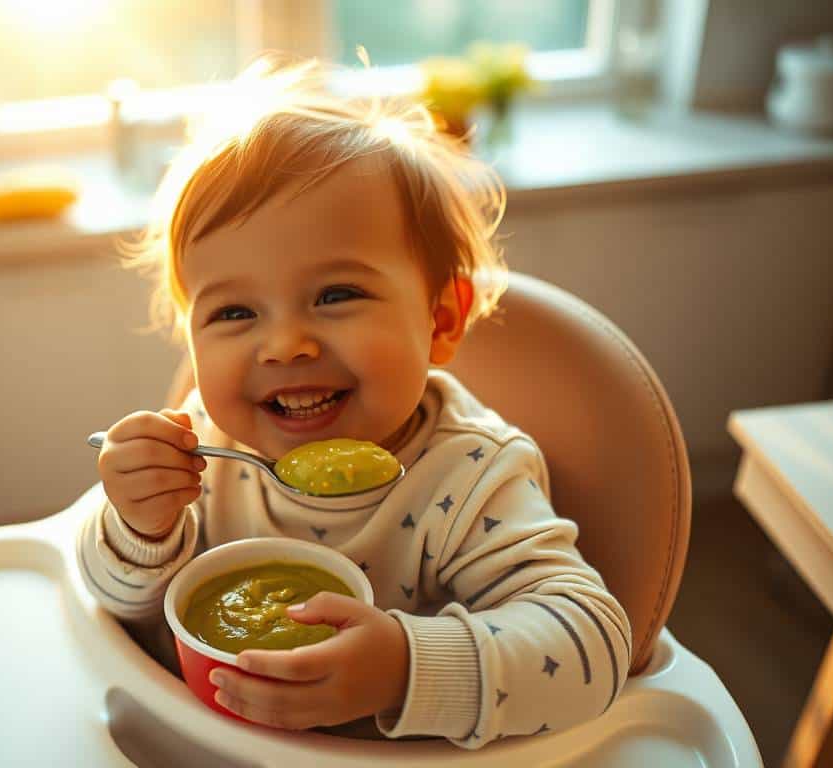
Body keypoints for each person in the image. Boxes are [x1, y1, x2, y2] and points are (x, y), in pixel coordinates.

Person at [77, 56, 630, 748]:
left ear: (440, 319)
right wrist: (139, 526)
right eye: (235, 312)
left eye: (336, 295)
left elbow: (592, 646)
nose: (285, 345)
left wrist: (405, 669)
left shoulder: (469, 479)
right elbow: (117, 609)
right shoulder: (204, 448)